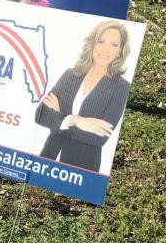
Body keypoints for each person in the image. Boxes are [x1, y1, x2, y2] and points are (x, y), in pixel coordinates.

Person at [35, 20, 132, 173]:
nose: (105, 49)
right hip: (47, 158)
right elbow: (41, 115)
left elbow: (99, 137)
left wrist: (60, 119)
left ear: (119, 51)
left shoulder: (121, 87)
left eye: (113, 45)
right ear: (92, 43)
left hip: (82, 168)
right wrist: (76, 121)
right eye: (101, 41)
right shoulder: (70, 75)